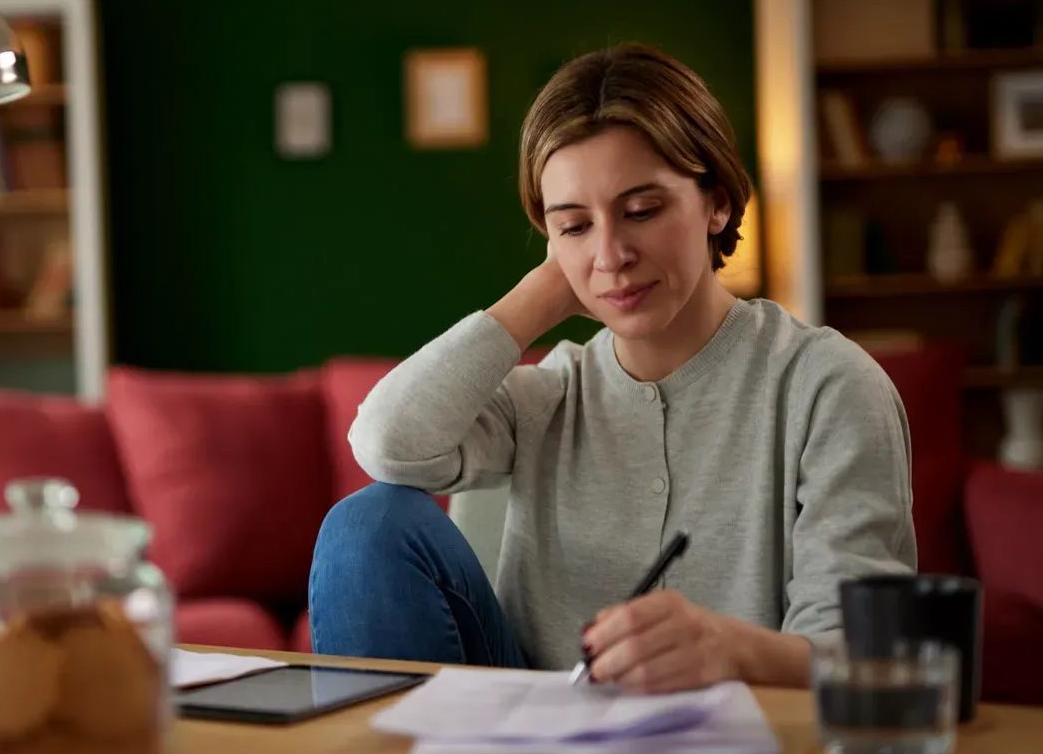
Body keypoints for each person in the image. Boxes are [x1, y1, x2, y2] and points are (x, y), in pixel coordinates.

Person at [308, 43, 916, 693]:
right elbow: (386, 444)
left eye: (642, 211)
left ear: (715, 202)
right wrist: (543, 294)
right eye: (574, 225)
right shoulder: (547, 395)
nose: (612, 254)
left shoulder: (828, 386)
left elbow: (866, 658)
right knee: (367, 523)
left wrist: (732, 650)